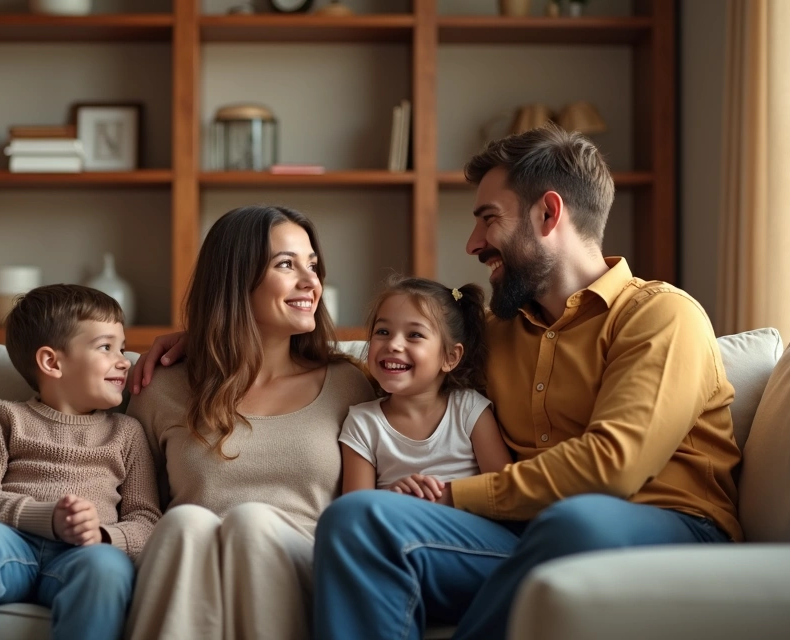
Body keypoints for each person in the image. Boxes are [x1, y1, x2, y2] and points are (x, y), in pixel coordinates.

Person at [311, 124, 742, 639]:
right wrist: (238, 355)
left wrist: (456, 496)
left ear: (548, 214)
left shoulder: (661, 316)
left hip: (665, 532)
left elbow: (613, 467)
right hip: (526, 536)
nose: (473, 243)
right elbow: (395, 368)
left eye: (488, 218)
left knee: (577, 521)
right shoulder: (495, 333)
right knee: (358, 518)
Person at [123, 205, 375, 640]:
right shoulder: (160, 387)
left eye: (313, 265)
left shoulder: (349, 385)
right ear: (235, 280)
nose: (311, 281)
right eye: (286, 265)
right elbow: (136, 513)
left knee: (251, 522)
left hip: (302, 571)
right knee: (184, 523)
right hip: (192, 577)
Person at [0, 284, 160, 640]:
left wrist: (103, 535)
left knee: (108, 568)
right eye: (106, 347)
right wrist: (45, 517)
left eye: (122, 348)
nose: (124, 361)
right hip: (11, 545)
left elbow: (147, 521)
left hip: (84, 556)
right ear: (52, 362)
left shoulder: (127, 433)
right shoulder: (4, 417)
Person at [340, 276, 512, 499]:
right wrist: (392, 497)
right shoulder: (362, 422)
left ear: (450, 357)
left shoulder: (469, 410)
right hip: (394, 518)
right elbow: (354, 508)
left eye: (414, 335)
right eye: (383, 332)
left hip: (463, 519)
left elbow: (505, 491)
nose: (393, 344)